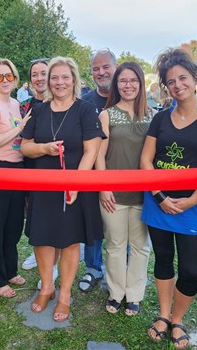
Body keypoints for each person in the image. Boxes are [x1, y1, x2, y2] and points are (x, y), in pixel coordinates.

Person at [140, 48, 197, 348]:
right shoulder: (160, 119)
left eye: (182, 78)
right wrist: (159, 196)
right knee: (163, 260)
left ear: (195, 79)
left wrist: (193, 200)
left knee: (190, 270)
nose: (177, 85)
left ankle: (178, 318)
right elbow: (147, 160)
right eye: (170, 81)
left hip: (192, 206)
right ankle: (163, 315)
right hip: (158, 203)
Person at [21, 56, 104, 322]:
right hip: (43, 184)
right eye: (54, 78)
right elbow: (25, 146)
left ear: (74, 80)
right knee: (43, 237)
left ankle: (65, 295)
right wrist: (45, 148)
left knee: (69, 240)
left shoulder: (85, 109)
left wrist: (76, 183)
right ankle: (47, 287)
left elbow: (91, 150)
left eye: (65, 77)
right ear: (47, 81)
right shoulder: (39, 110)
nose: (59, 82)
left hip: (75, 185)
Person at [96, 62, 154, 316]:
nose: (128, 85)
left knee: (141, 246)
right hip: (113, 194)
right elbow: (99, 155)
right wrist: (103, 186)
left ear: (141, 84)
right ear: (116, 84)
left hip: (144, 194)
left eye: (133, 80)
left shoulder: (153, 115)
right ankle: (116, 292)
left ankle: (135, 294)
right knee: (115, 245)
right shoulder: (106, 115)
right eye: (123, 81)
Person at [0, 58, 32, 298]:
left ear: (15, 78)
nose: (4, 81)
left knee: (13, 226)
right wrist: (18, 129)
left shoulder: (16, 104)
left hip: (16, 169)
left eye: (8, 76)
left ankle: (9, 270)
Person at [20, 58, 61, 288]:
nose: (39, 78)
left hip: (53, 168)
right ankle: (39, 255)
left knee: (54, 217)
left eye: (43, 73)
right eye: (34, 74)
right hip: (28, 166)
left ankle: (52, 265)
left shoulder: (59, 103)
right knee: (34, 215)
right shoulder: (24, 106)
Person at [78, 48, 117, 293]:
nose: (101, 72)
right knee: (93, 225)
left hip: (122, 174)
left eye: (105, 67)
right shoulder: (85, 102)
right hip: (92, 174)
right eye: (95, 68)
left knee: (120, 227)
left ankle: (119, 271)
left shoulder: (127, 95)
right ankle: (93, 268)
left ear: (116, 67)